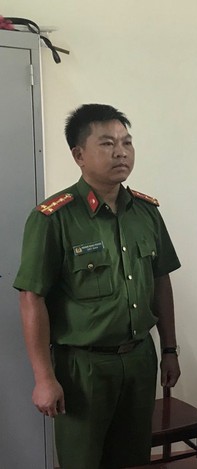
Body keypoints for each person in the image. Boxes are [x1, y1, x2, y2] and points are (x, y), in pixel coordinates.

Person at [13, 104, 181, 469]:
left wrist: (169, 348)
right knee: (83, 461)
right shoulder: (54, 218)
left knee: (134, 458)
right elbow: (32, 297)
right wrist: (44, 377)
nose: (121, 152)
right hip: (83, 367)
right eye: (107, 143)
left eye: (126, 142)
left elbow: (160, 280)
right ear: (79, 155)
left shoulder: (146, 212)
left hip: (139, 359)